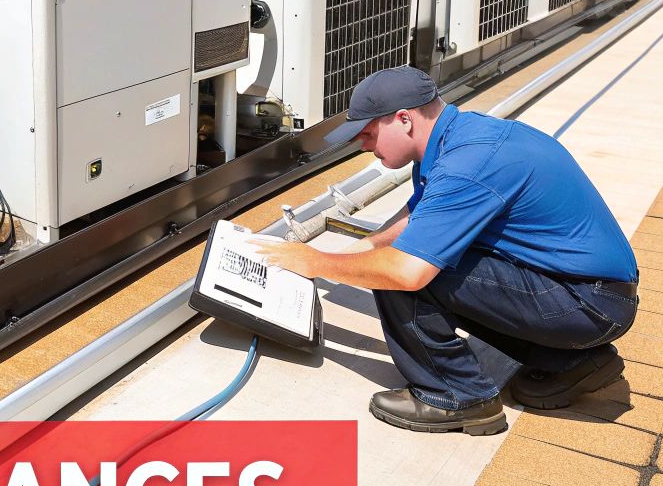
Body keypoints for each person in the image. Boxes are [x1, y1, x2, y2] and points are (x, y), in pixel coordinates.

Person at [257, 67, 638, 436]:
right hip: (590, 294)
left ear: (404, 119)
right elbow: (419, 214)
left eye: (369, 132)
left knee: (402, 272)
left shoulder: (467, 165)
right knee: (407, 255)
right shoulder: (460, 136)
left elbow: (405, 271)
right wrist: (361, 248)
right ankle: (574, 362)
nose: (363, 144)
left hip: (588, 304)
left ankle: (457, 395)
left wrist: (317, 262)